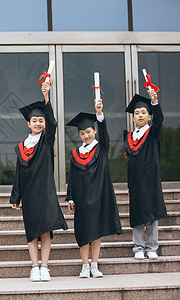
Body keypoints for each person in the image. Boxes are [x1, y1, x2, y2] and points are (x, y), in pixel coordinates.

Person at [10, 81, 68, 282]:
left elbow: (53, 124)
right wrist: (15, 196)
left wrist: (47, 98)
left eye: (41, 120)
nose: (38, 123)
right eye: (34, 120)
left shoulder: (46, 141)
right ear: (28, 123)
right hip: (28, 194)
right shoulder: (21, 147)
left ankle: (45, 266)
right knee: (32, 230)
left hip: (45, 192)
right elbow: (19, 173)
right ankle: (34, 266)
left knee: (46, 230)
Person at [66, 99, 122, 278]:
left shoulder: (101, 149)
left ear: (95, 131)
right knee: (82, 231)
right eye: (82, 133)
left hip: (98, 196)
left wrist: (99, 114)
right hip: (81, 198)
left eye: (88, 131)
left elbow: (105, 135)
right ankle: (84, 266)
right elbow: (72, 177)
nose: (86, 135)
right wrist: (71, 197)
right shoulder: (75, 154)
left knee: (96, 231)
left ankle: (95, 265)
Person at [124, 91, 167, 260]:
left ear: (149, 116)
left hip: (151, 180)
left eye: (143, 112)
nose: (140, 115)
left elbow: (159, 121)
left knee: (151, 213)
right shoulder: (129, 137)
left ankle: (151, 246)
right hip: (135, 182)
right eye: (137, 113)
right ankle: (139, 247)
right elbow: (129, 164)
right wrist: (128, 185)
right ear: (133, 118)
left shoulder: (152, 133)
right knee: (137, 214)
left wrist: (155, 102)